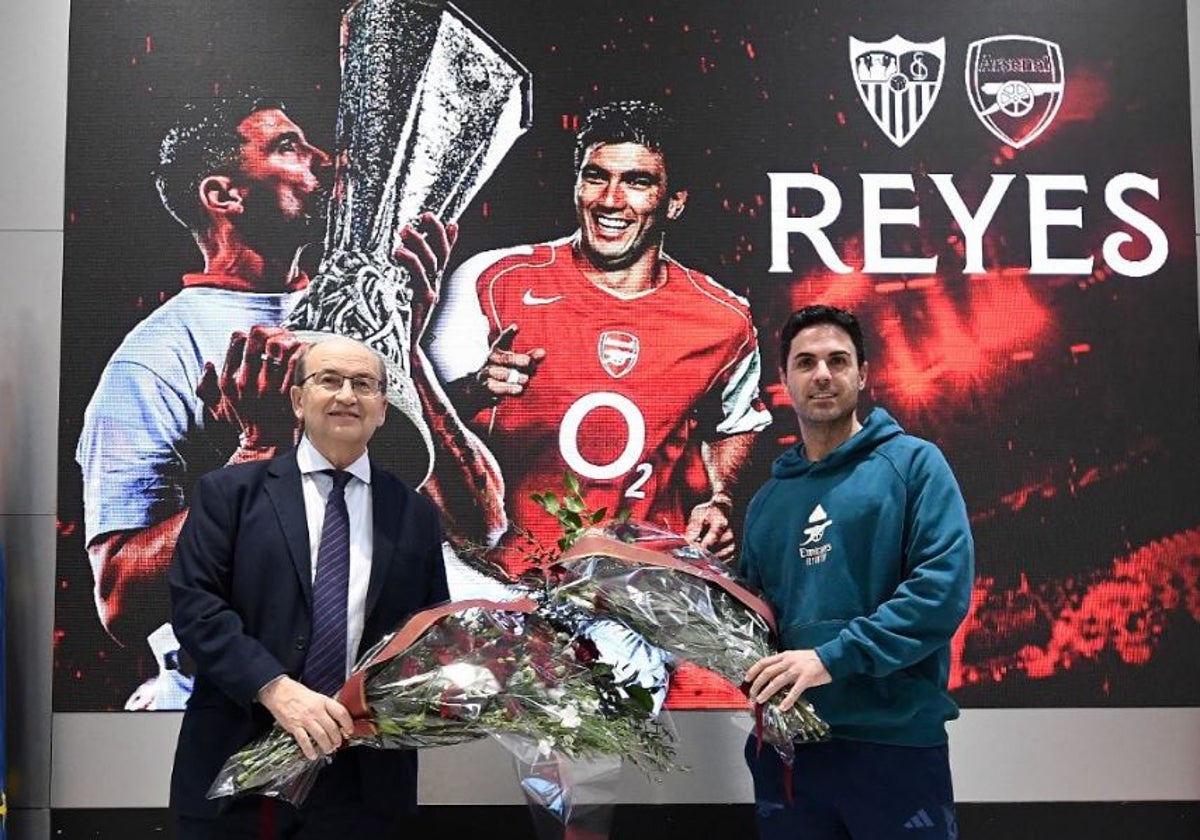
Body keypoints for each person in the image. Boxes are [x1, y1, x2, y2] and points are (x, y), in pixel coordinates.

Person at [76, 91, 498, 708]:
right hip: (232, 710)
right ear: (224, 195)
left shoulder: (359, 312)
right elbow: (119, 599)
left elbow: (479, 523)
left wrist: (401, 343)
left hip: (373, 702)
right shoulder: (158, 355)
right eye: (287, 147)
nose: (326, 161)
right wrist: (260, 451)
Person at [426, 100, 772, 706]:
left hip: (637, 597)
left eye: (637, 181)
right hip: (500, 588)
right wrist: (476, 388)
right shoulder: (494, 281)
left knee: (627, 771)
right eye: (596, 176)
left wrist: (719, 497)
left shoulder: (721, 318)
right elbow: (416, 432)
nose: (611, 200)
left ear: (674, 202)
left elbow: (735, 424)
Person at [168, 335, 449, 837]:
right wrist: (273, 689)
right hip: (238, 770)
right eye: (329, 380)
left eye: (364, 385)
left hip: (363, 787)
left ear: (383, 409)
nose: (347, 396)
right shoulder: (229, 494)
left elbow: (428, 632)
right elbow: (196, 607)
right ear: (299, 400)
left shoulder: (415, 513)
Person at [740, 305, 974, 839]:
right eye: (805, 363)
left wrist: (831, 658)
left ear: (863, 374)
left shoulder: (914, 465)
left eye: (837, 360)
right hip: (790, 755)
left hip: (893, 746)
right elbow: (750, 623)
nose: (822, 374)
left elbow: (940, 592)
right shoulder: (767, 502)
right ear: (784, 380)